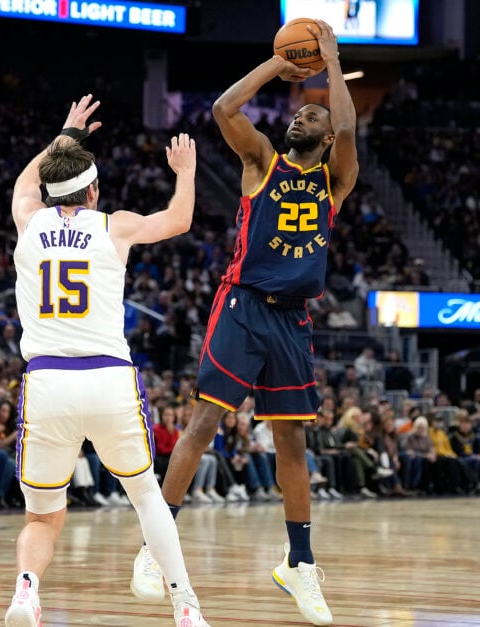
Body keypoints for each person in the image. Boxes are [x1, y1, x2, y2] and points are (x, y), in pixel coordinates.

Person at [131, 20, 356, 626]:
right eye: (297, 114)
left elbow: (348, 127)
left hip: (292, 319)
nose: (300, 119)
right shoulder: (261, 162)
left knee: (292, 442)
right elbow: (225, 108)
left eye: (310, 116)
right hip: (243, 305)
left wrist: (331, 61)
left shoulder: (335, 180)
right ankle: (155, 548)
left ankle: (299, 563)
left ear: (324, 136)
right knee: (203, 424)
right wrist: (280, 64)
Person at [3, 94, 209, 627]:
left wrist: (65, 136)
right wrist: (186, 172)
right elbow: (180, 219)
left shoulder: (28, 220)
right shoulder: (113, 225)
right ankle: (185, 605)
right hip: (107, 378)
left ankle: (26, 592)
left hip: (47, 380)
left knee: (42, 517)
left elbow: (25, 185)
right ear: (93, 190)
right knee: (146, 497)